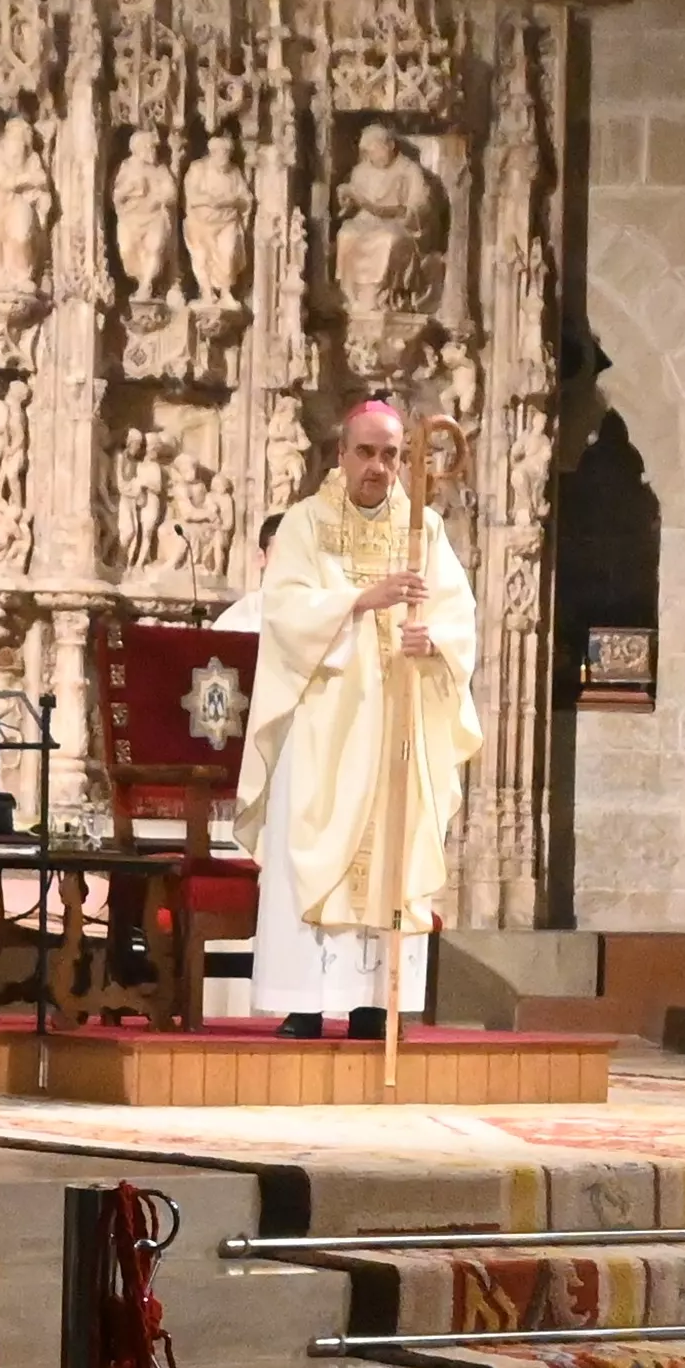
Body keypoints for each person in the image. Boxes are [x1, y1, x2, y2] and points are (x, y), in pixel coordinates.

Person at [236, 400, 476, 1038]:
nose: (378, 467)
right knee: (309, 845)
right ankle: (305, 1003)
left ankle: (378, 1001)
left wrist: (437, 646)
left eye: (391, 454)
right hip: (323, 726)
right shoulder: (303, 526)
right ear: (340, 455)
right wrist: (359, 601)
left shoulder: (422, 529)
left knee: (392, 852)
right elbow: (284, 613)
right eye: (366, 452)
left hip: (397, 724)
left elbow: (459, 618)